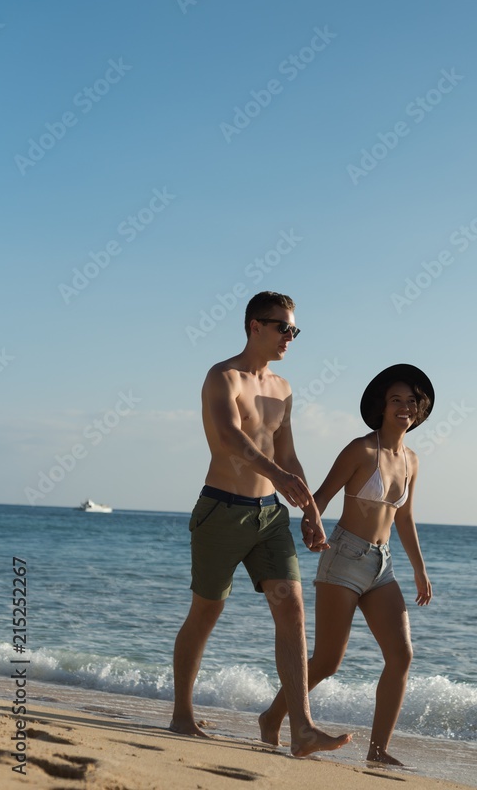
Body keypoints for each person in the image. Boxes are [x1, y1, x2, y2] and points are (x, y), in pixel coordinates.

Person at [169, 291, 350, 758]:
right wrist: (280, 475)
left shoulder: (283, 388)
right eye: (282, 327)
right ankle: (182, 715)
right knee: (205, 613)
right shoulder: (222, 376)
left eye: (294, 329)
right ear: (255, 326)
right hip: (221, 510)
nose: (290, 336)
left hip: (271, 515)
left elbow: (287, 455)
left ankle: (302, 728)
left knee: (291, 605)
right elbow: (230, 438)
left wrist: (310, 509)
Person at [259, 364, 434, 766]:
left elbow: (404, 518)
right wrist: (308, 525)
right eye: (396, 400)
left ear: (419, 410)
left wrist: (420, 570)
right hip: (344, 557)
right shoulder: (361, 449)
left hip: (381, 565)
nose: (404, 407)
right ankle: (272, 717)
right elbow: (320, 496)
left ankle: (378, 750)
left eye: (411, 401)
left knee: (401, 656)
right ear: (382, 406)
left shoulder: (411, 460)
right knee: (328, 660)